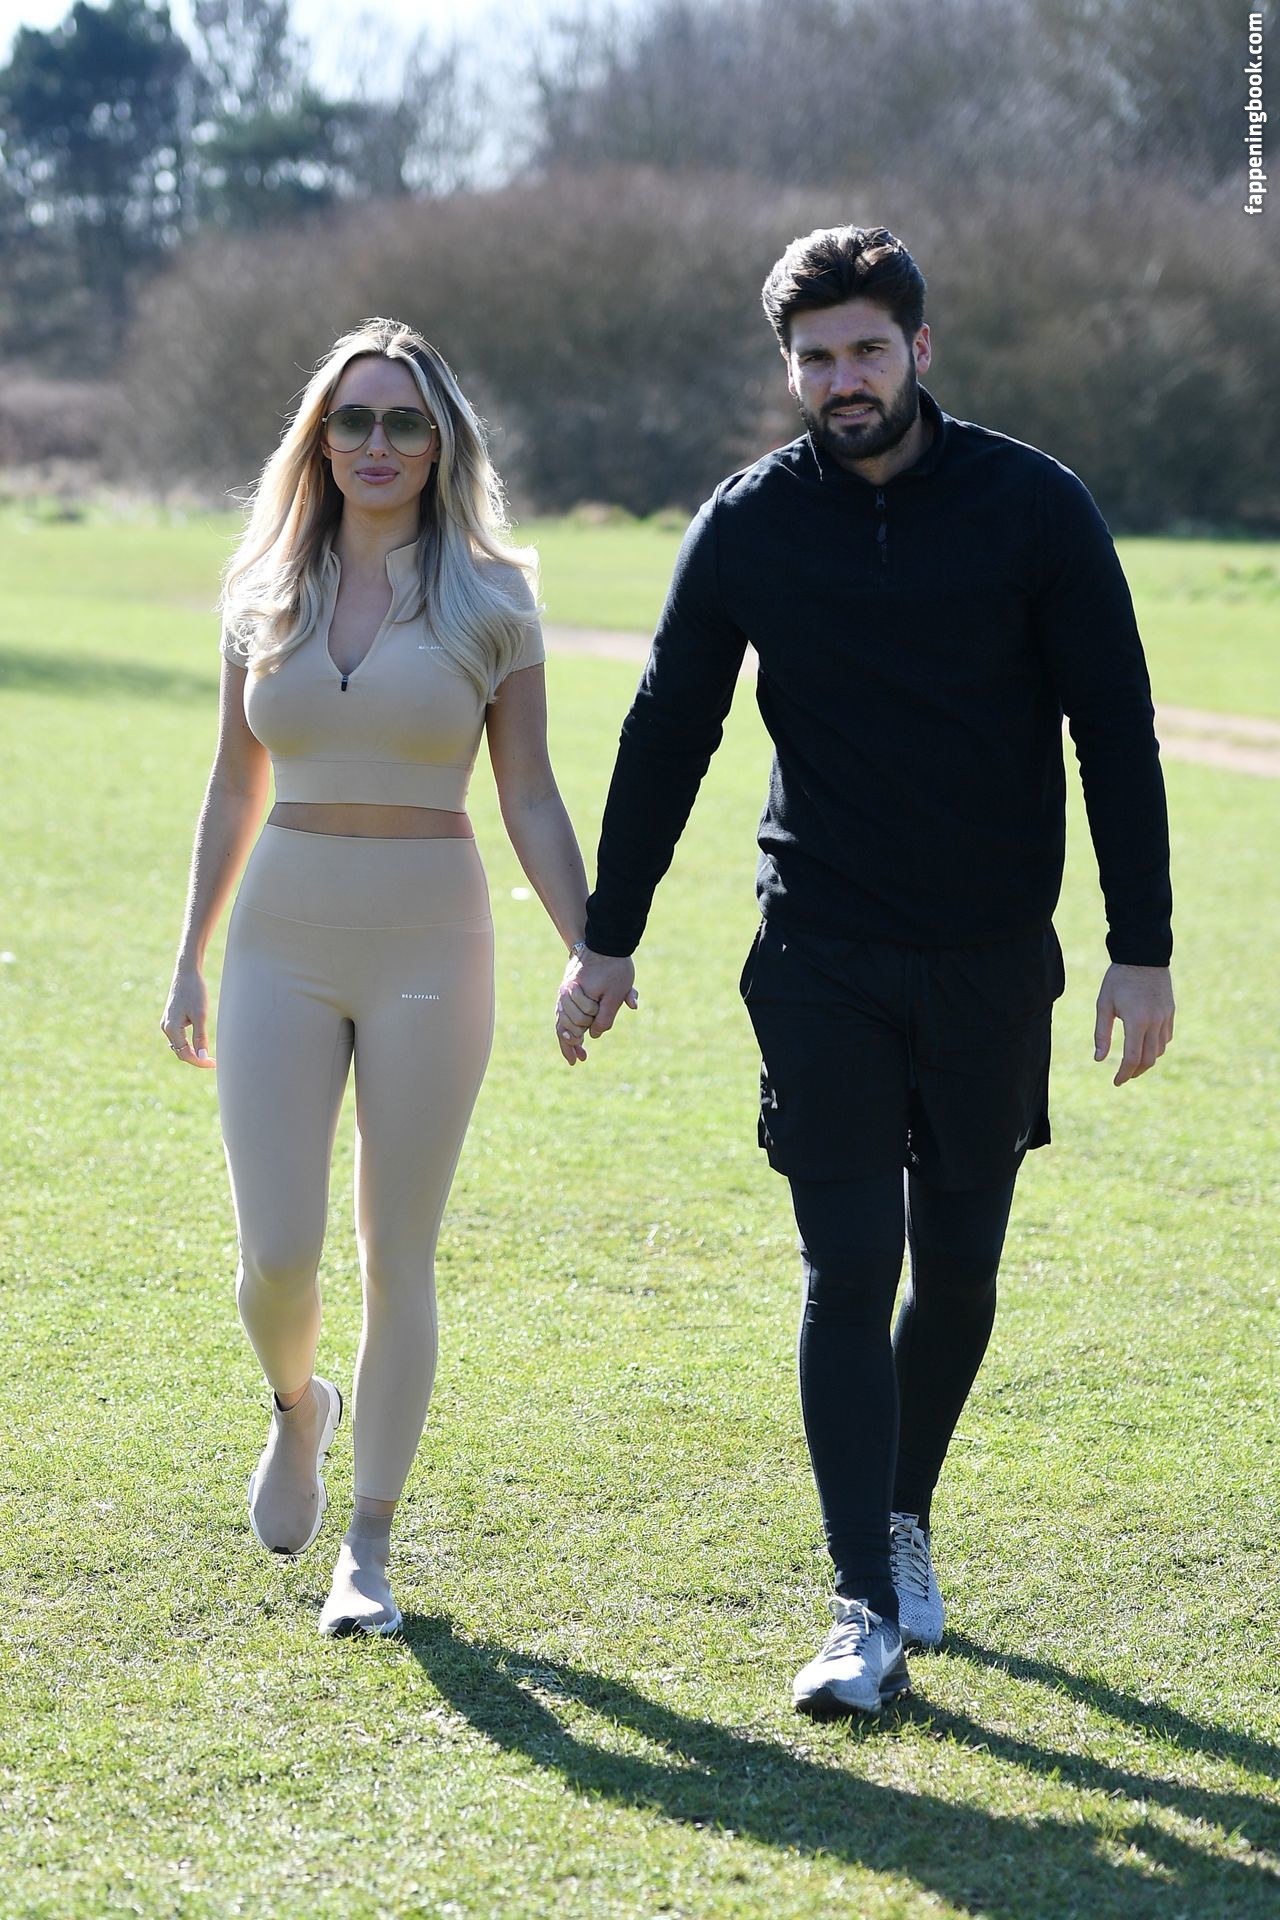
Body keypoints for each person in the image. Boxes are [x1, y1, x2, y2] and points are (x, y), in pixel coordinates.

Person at [553, 226, 1175, 1717]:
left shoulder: (1034, 507)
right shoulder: (750, 522)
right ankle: (860, 1607)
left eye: (867, 351)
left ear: (920, 349)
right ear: (791, 369)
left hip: (988, 958)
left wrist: (1140, 949)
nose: (845, 380)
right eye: (817, 358)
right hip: (818, 949)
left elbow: (1114, 726)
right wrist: (609, 935)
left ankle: (902, 1513)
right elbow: (669, 726)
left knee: (957, 1268)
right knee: (849, 1267)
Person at [162, 318, 612, 1636]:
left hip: (431, 940)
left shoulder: (494, 598)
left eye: (403, 421)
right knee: (276, 1253)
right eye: (352, 419)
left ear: (440, 442)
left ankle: (370, 1544)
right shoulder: (261, 587)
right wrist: (188, 954)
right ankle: (299, 1404)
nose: (376, 443)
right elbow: (231, 784)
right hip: (280, 940)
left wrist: (590, 939)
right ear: (320, 440)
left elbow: (529, 793)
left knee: (395, 1252)